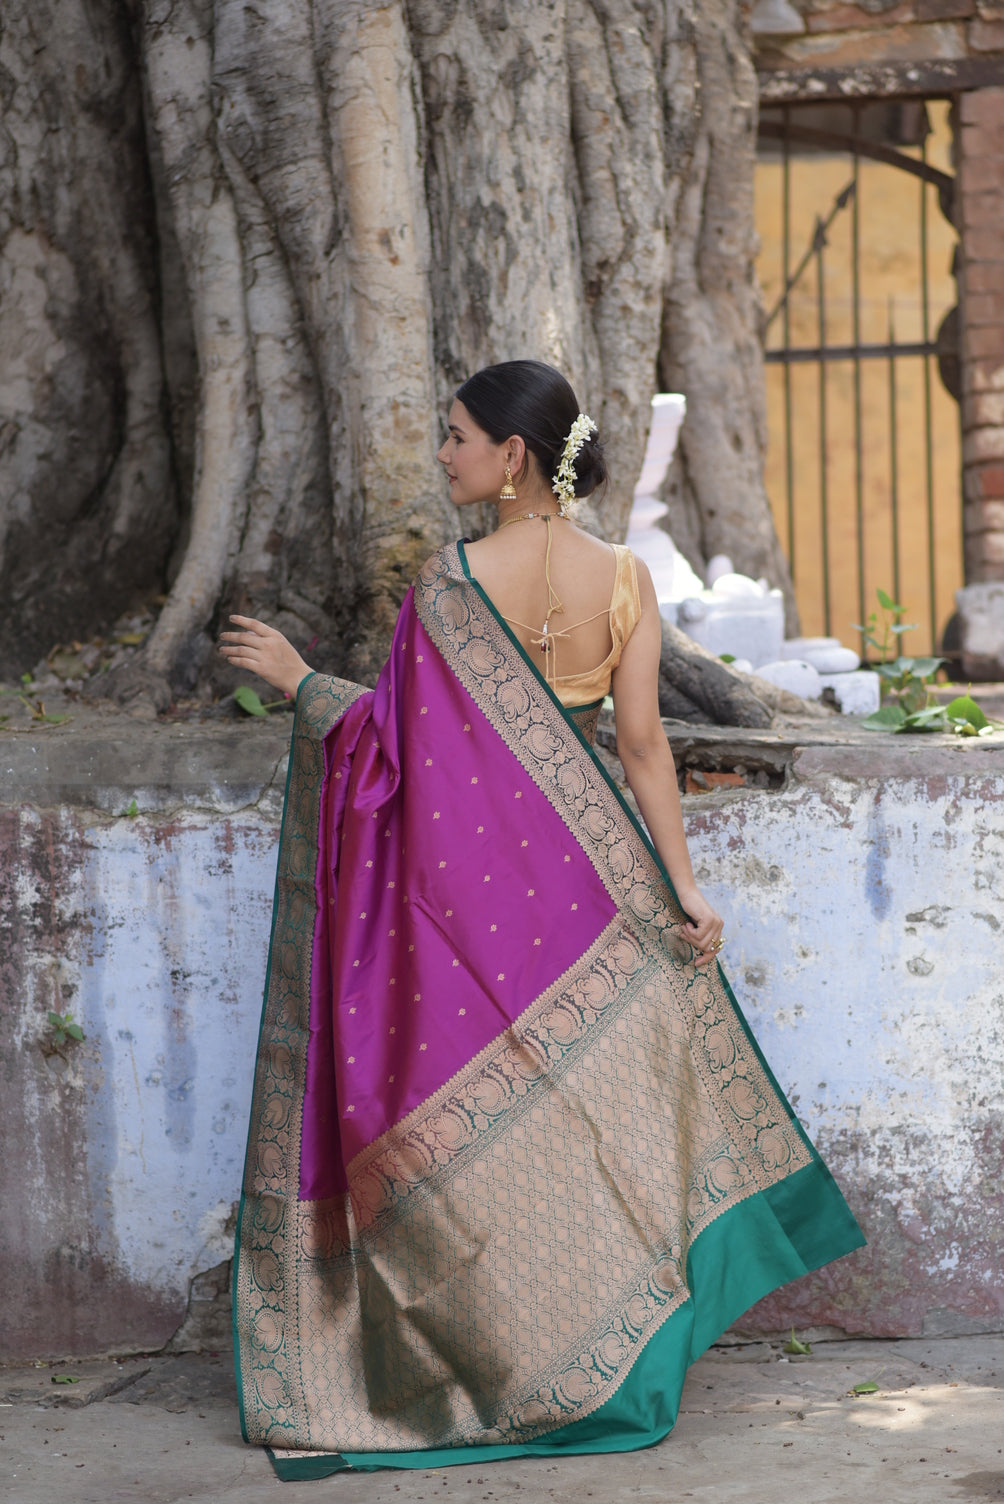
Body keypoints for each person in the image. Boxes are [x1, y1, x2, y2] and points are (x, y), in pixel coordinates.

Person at [221, 361, 863, 1481]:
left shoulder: (454, 585)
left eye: (457, 436)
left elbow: (396, 758)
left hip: (470, 901)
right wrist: (682, 886)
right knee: (581, 1124)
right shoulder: (621, 577)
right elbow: (644, 748)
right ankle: (601, 1358)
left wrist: (301, 684)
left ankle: (501, 1367)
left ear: (512, 454)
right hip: (585, 889)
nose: (444, 455)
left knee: (466, 1132)